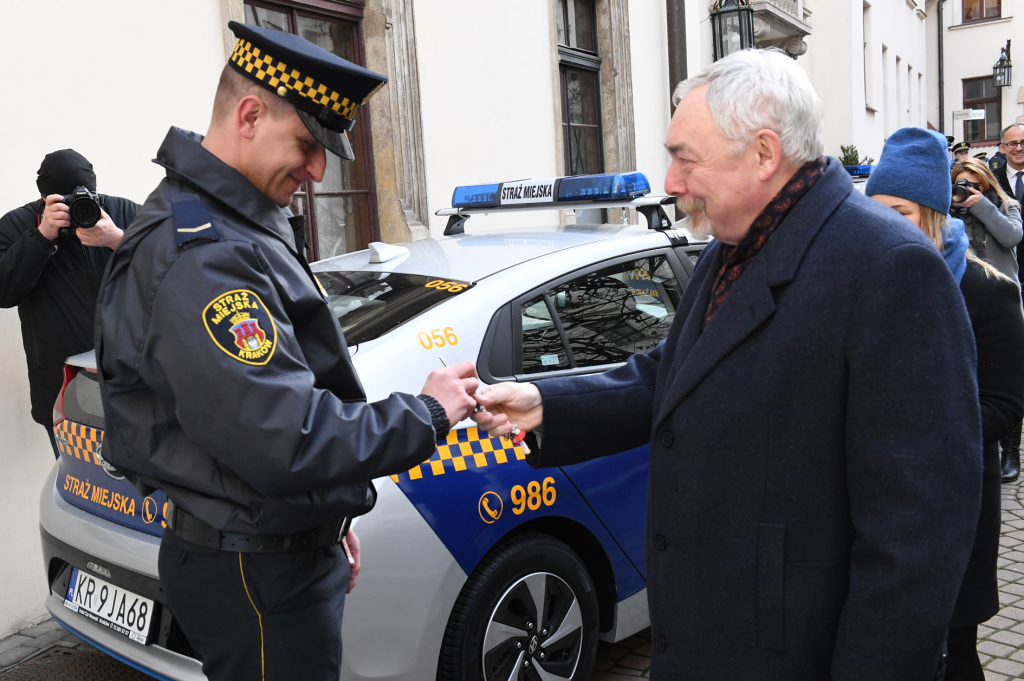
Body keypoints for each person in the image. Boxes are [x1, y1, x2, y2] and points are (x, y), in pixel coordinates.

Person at [473, 50, 982, 679]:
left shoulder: (889, 268)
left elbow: (916, 536)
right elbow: (673, 377)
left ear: (764, 154)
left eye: (687, 158)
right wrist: (549, 405)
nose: (672, 181)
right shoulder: (733, 246)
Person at [95, 22, 478, 681]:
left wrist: (323, 518)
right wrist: (428, 412)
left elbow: (258, 420)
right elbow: (284, 435)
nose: (319, 169)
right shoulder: (205, 255)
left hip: (267, 548)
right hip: (258, 571)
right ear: (250, 115)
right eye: (307, 143)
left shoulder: (232, 222)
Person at [867, 126, 1024, 680]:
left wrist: (924, 432)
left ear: (933, 213)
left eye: (901, 212)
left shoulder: (986, 291)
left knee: (955, 650)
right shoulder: (864, 282)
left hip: (955, 502)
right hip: (876, 503)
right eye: (877, 211)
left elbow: (1005, 406)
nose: (886, 224)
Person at [0, 150, 137, 459]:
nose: (77, 206)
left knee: (139, 497)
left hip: (134, 390)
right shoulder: (17, 225)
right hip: (64, 395)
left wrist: (117, 239)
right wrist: (42, 235)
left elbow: (175, 269)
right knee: (78, 487)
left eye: (84, 196)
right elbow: (3, 293)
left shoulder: (123, 213)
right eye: (64, 200)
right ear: (44, 200)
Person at [949, 156, 1024, 482]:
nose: (967, 191)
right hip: (967, 301)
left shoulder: (1006, 205)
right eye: (962, 185)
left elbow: (1010, 237)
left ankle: (1011, 452)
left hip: (1002, 300)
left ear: (986, 184)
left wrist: (982, 205)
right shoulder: (950, 214)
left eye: (974, 185)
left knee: (1003, 379)